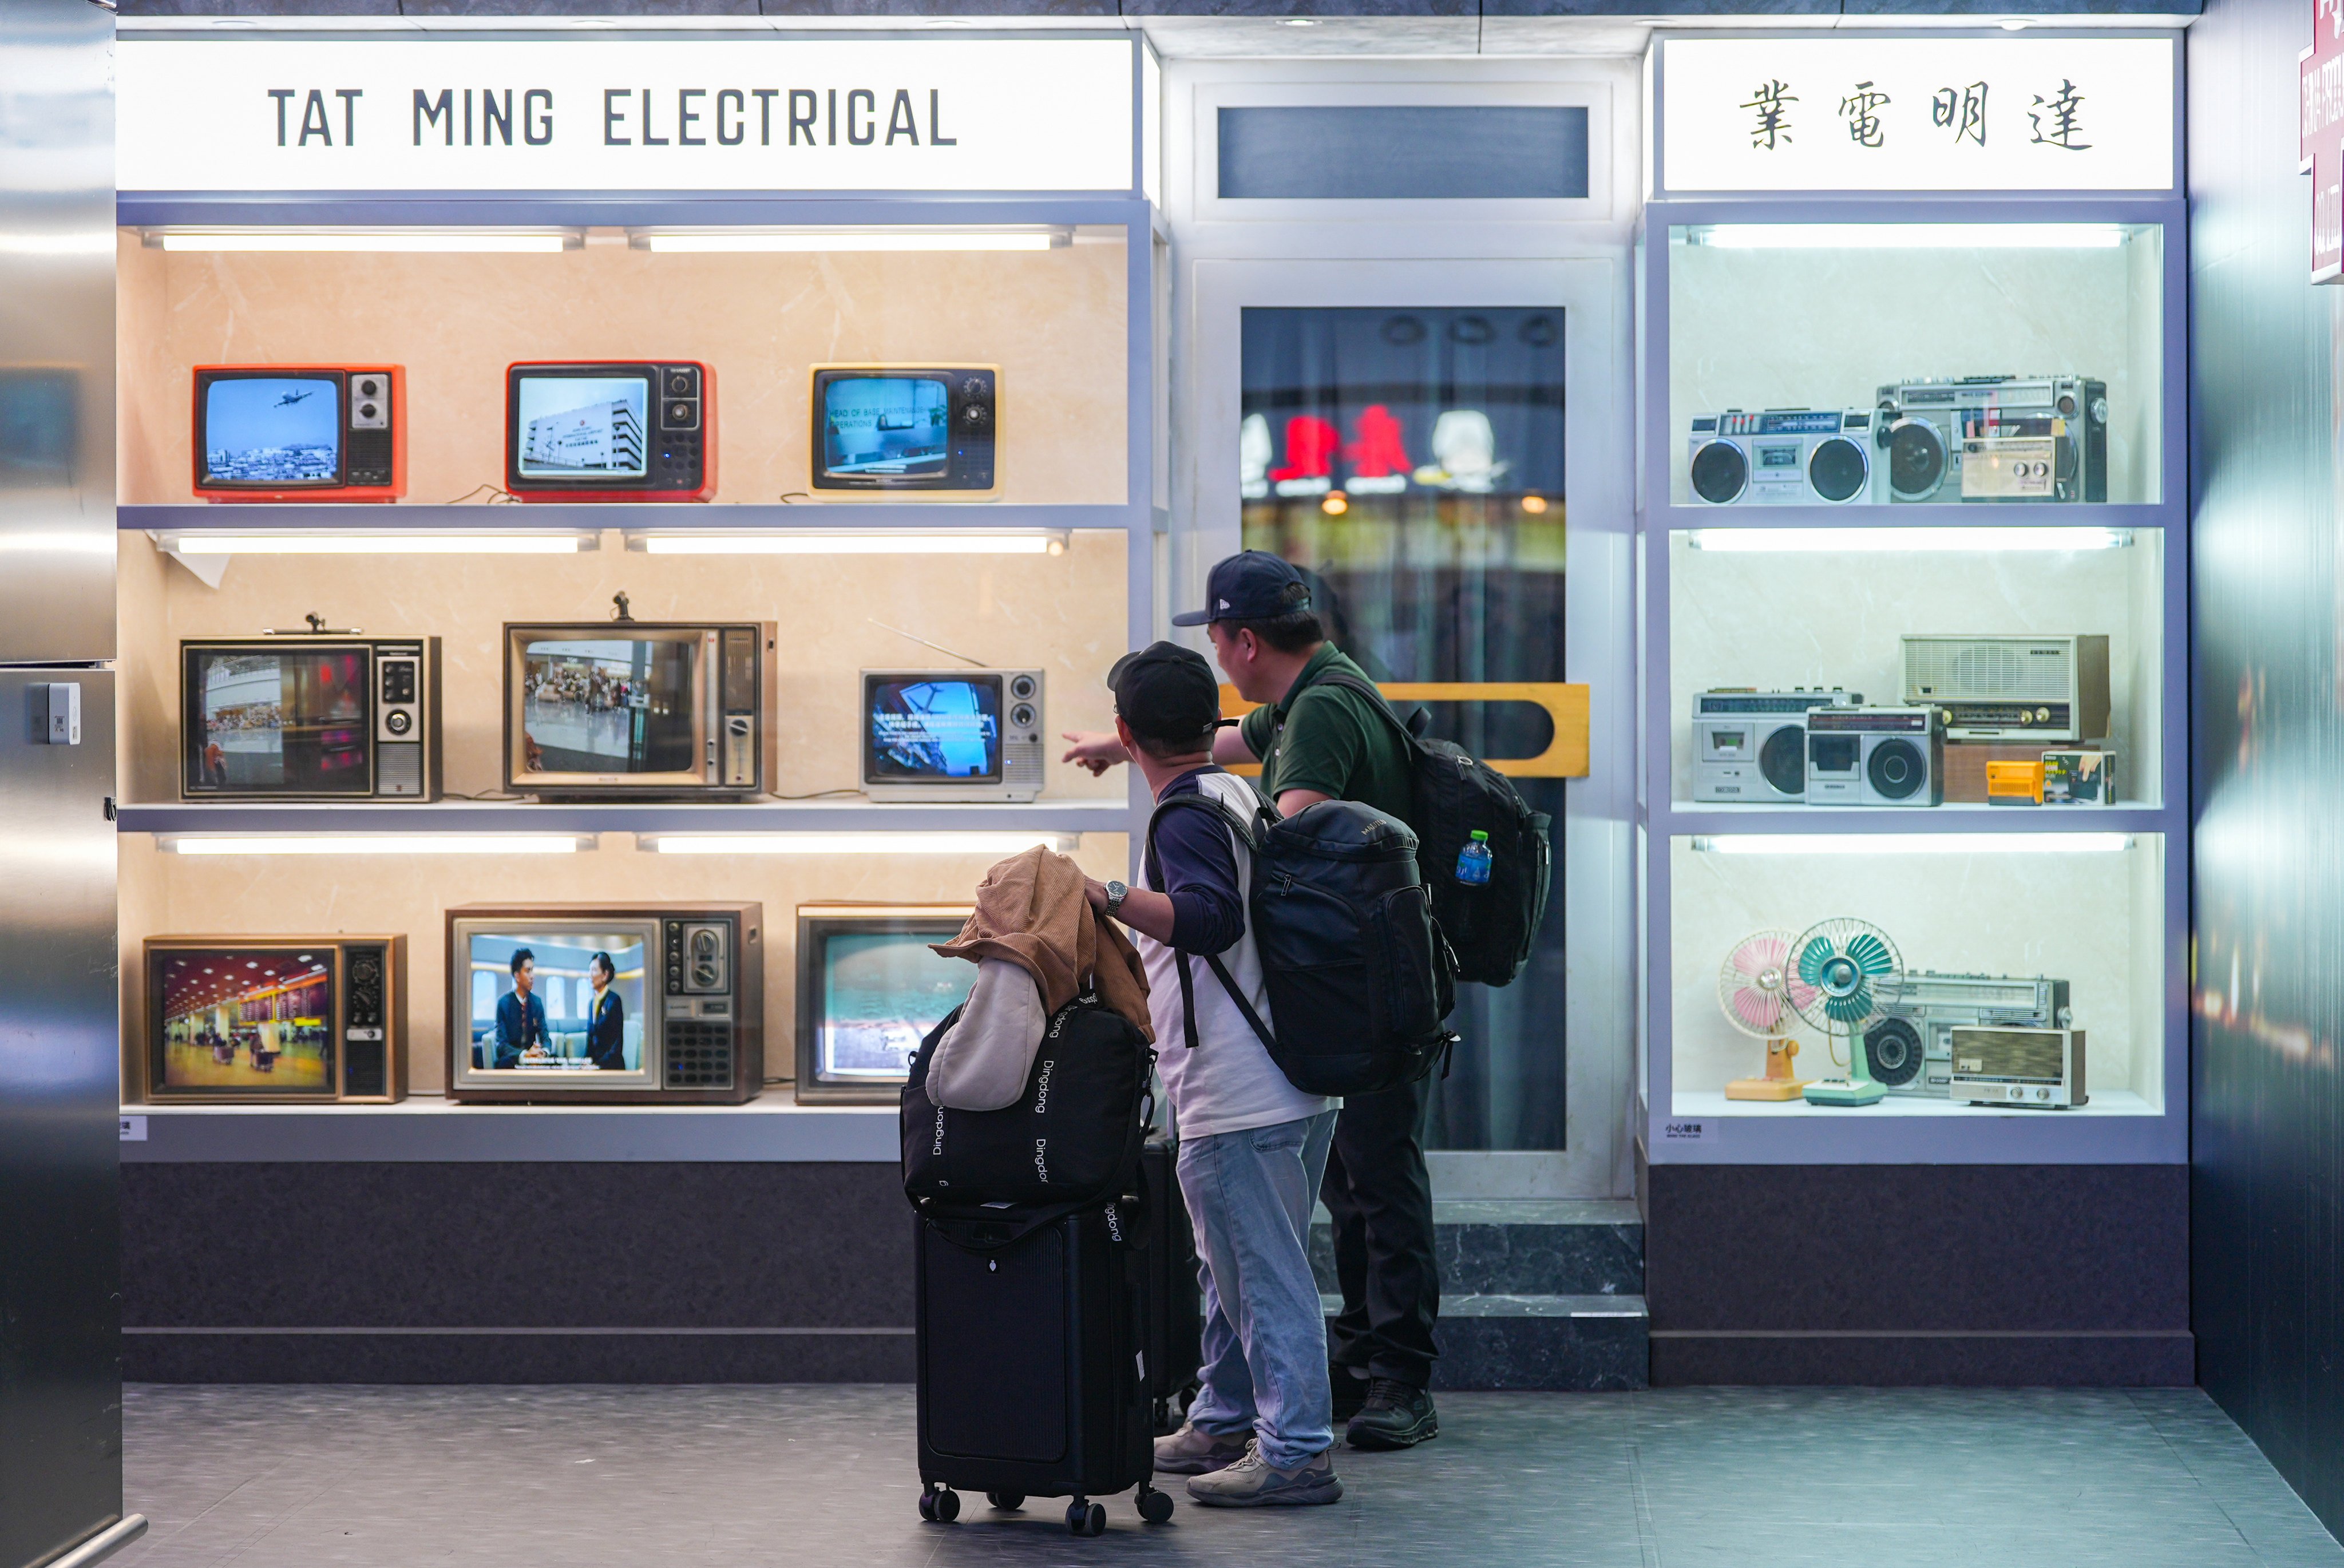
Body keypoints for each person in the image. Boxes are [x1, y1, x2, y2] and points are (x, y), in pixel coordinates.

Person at [1064, 551, 1440, 1452]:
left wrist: (1114, 896)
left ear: (1243, 639)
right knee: (1249, 1254)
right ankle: (1232, 1414)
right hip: (1305, 1045)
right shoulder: (1300, 711)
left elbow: (1231, 898)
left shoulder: (1300, 728)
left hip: (1262, 1065)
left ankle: (1313, 1434)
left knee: (1302, 1241)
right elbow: (1238, 744)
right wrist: (1133, 745)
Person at [1084, 641, 1344, 1509]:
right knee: (1229, 1263)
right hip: (1289, 1075)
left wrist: (1110, 896)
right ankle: (1223, 1417)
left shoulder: (1183, 816)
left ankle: (1297, 1450)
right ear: (1212, 719)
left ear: (1127, 731)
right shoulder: (1235, 789)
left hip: (1239, 1087)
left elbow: (1206, 918)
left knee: (1262, 1275)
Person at [494, 947, 551, 1069]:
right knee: (505, 1064)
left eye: (533, 971)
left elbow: (545, 1035)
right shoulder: (503, 1003)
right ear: (517, 976)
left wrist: (543, 1053)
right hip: (514, 1059)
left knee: (556, 1061)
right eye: (528, 971)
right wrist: (525, 1055)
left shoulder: (537, 1002)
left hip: (535, 1059)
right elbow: (501, 1045)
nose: (532, 976)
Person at [585, 951, 627, 1072]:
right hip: (594, 1067)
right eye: (589, 970)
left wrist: (597, 1066)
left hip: (611, 1067)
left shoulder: (614, 1000)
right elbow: (590, 1041)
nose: (590, 975)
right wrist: (584, 1064)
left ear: (605, 975)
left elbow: (616, 1045)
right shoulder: (591, 1004)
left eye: (594, 970)